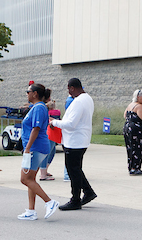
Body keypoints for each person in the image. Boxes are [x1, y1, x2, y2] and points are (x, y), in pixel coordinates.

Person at [49, 78, 96, 211]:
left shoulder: (78, 102)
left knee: (72, 170)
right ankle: (88, 192)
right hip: (82, 139)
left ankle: (75, 199)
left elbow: (70, 124)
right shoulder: (88, 99)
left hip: (74, 141)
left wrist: (54, 122)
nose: (69, 93)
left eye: (69, 89)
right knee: (76, 169)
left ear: (72, 88)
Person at [17, 83, 59, 220]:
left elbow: (36, 129)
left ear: (35, 93)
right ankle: (31, 211)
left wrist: (28, 148)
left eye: (28, 91)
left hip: (36, 148)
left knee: (25, 179)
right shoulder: (37, 107)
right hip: (37, 147)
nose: (27, 94)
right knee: (30, 179)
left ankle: (49, 202)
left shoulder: (39, 108)